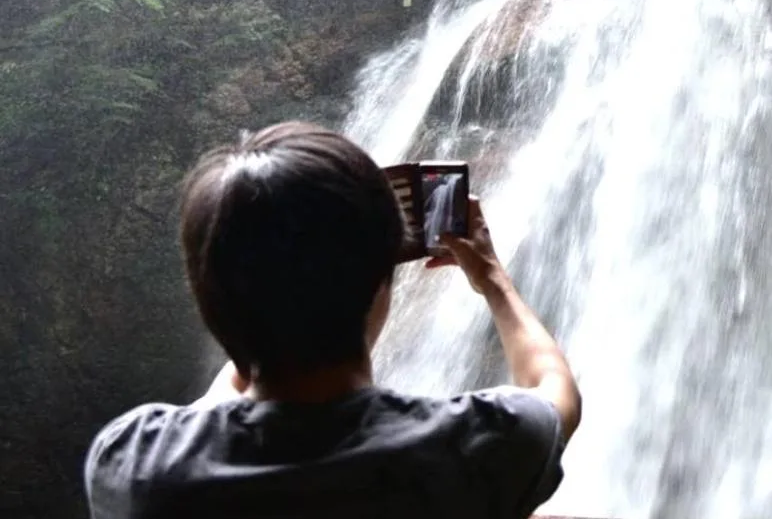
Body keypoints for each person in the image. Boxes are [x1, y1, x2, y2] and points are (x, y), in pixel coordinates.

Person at [83, 121, 581, 519]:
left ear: (209, 303)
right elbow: (555, 389)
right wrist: (492, 279)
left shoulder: (134, 463)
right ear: (379, 287)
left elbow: (218, 403)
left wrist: (250, 319)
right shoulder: (472, 450)